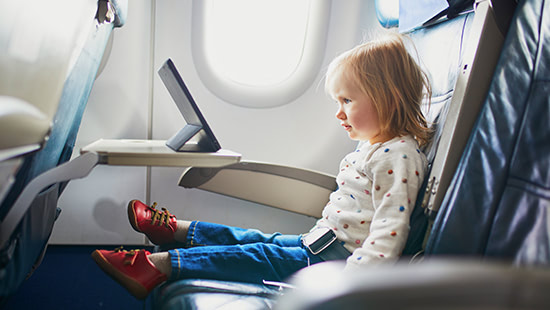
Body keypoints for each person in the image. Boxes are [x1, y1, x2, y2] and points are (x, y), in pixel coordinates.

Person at [92, 32, 432, 300]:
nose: (338, 113)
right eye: (337, 101)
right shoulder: (376, 146)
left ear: (389, 98)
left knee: (257, 255)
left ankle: (156, 267)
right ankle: (175, 230)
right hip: (321, 243)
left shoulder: (398, 155)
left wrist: (354, 285)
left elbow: (390, 227)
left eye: (347, 100)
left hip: (338, 261)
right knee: (250, 239)